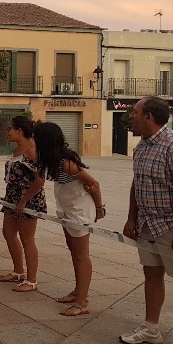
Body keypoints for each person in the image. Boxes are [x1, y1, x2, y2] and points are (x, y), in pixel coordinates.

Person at [119, 96, 173, 344]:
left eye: (136, 112)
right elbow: (137, 183)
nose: (131, 116)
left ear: (149, 117)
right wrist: (132, 218)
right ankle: (151, 328)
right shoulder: (142, 146)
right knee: (151, 274)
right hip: (147, 224)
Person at [33, 121, 105, 316]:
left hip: (79, 212)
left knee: (81, 255)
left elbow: (94, 184)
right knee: (74, 252)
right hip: (67, 211)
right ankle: (78, 292)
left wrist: (99, 208)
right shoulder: (52, 161)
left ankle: (81, 303)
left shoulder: (67, 163)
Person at [0, 115, 46, 292]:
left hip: (28, 201)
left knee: (27, 239)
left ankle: (31, 280)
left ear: (19, 130)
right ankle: (18, 271)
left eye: (9, 128)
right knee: (8, 233)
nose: (7, 132)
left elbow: (40, 179)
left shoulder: (31, 150)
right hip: (12, 199)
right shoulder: (17, 150)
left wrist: (24, 200)